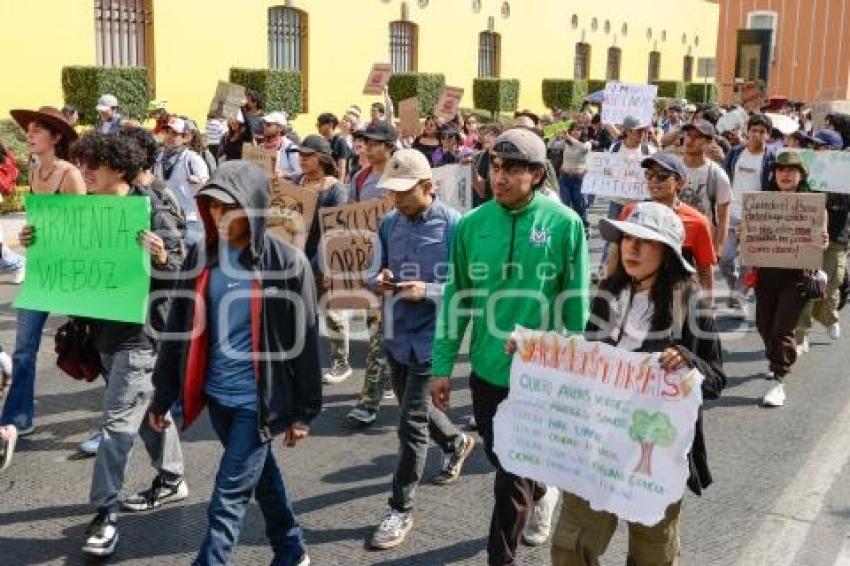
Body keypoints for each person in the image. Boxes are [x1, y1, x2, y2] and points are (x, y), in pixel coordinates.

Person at [148, 160, 321, 566]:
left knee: (227, 497)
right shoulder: (201, 256)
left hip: (257, 403)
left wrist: (304, 413)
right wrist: (162, 397)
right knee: (262, 479)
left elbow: (306, 344)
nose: (218, 215)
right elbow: (178, 332)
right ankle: (292, 550)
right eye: (211, 206)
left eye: (230, 207)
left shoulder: (288, 264)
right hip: (217, 397)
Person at [430, 128, 589, 565]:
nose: (499, 177)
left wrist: (566, 362)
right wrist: (442, 366)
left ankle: (500, 558)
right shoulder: (472, 225)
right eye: (495, 167)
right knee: (504, 461)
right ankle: (543, 489)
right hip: (486, 372)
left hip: (540, 374)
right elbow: (455, 298)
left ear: (537, 175)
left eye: (512, 169)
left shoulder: (564, 224)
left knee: (510, 477)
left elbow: (575, 305)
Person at [31, 132, 188, 557]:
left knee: (116, 424)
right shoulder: (86, 211)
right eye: (80, 164)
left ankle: (104, 516)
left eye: (91, 166)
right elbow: (66, 262)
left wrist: (159, 257)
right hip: (101, 333)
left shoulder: (153, 209)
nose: (83, 173)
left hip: (139, 336)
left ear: (117, 168)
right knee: (142, 410)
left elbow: (179, 273)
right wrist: (37, 243)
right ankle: (172, 477)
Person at [551, 201, 726, 565]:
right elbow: (587, 358)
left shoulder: (689, 302)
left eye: (645, 241)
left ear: (668, 253)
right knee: (571, 546)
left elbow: (715, 379)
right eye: (627, 238)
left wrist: (687, 361)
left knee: (652, 553)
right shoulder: (607, 295)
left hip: (656, 454)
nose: (631, 247)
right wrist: (533, 354)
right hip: (597, 445)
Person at [366, 149, 474, 550]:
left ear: (429, 187)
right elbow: (368, 273)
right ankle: (455, 441)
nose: (396, 200)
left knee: (409, 423)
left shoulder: (456, 227)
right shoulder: (388, 222)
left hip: (435, 338)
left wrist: (426, 291)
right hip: (396, 334)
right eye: (391, 192)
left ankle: (400, 509)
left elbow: (470, 290)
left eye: (404, 192)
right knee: (414, 405)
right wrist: (378, 279)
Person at [1, 106, 85, 436]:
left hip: (72, 271)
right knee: (24, 348)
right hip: (41, 269)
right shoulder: (35, 171)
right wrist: (26, 235)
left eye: (37, 130)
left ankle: (120, 413)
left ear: (56, 137)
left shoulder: (70, 175)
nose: (29, 134)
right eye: (29, 129)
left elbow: (85, 229)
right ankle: (19, 418)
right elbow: (38, 224)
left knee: (97, 344)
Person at [333, 122, 397, 426]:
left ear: (388, 145)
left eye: (373, 143)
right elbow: (350, 218)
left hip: (405, 263)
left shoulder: (403, 172)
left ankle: (375, 395)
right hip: (373, 264)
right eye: (364, 142)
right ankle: (375, 393)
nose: (367, 148)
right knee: (378, 332)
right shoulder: (360, 178)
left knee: (394, 334)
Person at [757, 151, 829, 407]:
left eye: (791, 170)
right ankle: (777, 356)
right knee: (764, 325)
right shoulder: (760, 203)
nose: (785, 175)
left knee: (782, 329)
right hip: (766, 274)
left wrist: (822, 240)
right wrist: (745, 232)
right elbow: (751, 235)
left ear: (801, 175)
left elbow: (822, 239)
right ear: (773, 174)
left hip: (797, 276)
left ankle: (779, 379)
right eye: (780, 170)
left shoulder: (813, 204)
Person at [607, 154, 717, 295]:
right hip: (634, 297)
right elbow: (615, 256)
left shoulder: (698, 222)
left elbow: (705, 269)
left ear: (679, 182)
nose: (654, 180)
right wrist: (605, 290)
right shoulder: (631, 211)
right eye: (649, 175)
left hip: (674, 301)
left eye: (662, 176)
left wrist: (708, 308)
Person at [795, 137, 850, 353]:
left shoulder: (844, 171)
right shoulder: (804, 168)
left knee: (830, 283)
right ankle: (801, 335)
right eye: (816, 146)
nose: (820, 150)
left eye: (825, 147)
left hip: (837, 237)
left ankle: (829, 317)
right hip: (806, 237)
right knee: (808, 287)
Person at [721, 113, 776, 307]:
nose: (757, 135)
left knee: (748, 261)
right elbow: (723, 179)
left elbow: (772, 190)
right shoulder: (735, 153)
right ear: (747, 131)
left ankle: (739, 295)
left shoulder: (771, 159)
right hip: (731, 214)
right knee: (724, 258)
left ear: (768, 135)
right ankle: (733, 283)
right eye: (753, 130)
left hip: (755, 218)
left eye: (762, 131)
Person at [679, 120, 733, 255]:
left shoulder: (717, 176)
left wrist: (717, 250)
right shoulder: (672, 169)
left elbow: (723, 218)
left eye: (697, 137)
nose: (690, 140)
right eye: (688, 135)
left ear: (709, 142)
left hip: (702, 245)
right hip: (674, 240)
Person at [154, 116, 210, 245]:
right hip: (166, 218)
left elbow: (207, 186)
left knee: (190, 258)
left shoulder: (192, 159)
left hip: (190, 219)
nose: (169, 136)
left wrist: (199, 181)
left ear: (186, 137)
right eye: (167, 132)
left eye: (175, 133)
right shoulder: (158, 157)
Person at [549, 122, 591, 230]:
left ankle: (583, 226)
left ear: (583, 132)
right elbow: (550, 146)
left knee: (579, 205)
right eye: (573, 130)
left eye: (578, 130)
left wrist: (569, 138)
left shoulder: (587, 143)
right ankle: (567, 226)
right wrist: (555, 137)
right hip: (565, 177)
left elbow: (582, 149)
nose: (575, 132)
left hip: (579, 179)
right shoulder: (565, 143)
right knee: (565, 203)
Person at [472, 123, 503, 208]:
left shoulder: (503, 159)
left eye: (492, 135)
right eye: (485, 134)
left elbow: (486, 190)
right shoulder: (477, 156)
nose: (486, 137)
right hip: (476, 205)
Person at [262, 112, 301, 179]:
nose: (264, 127)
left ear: (279, 128)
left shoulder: (290, 148)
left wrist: (284, 176)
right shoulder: (261, 147)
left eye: (268, 125)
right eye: (264, 124)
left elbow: (300, 173)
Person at [316, 112, 351, 183]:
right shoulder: (322, 142)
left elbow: (342, 168)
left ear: (330, 125)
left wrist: (339, 186)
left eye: (320, 124)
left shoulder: (340, 142)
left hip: (335, 182)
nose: (318, 127)